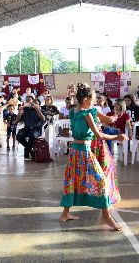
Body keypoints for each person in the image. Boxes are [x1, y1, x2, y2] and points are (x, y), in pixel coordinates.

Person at [59, 83, 128, 231]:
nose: (95, 102)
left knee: (72, 180)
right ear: (86, 100)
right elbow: (99, 135)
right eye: (93, 99)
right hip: (84, 152)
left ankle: (65, 214)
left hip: (74, 152)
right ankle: (107, 217)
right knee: (101, 182)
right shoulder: (87, 114)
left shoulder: (74, 112)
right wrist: (118, 136)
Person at [15, 96, 45, 160]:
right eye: (33, 103)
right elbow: (17, 121)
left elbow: (43, 119)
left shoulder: (40, 110)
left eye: (36, 103)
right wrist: (20, 111)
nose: (34, 104)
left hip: (36, 129)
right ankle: (30, 150)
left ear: (39, 105)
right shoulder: (26, 110)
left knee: (33, 136)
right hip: (27, 129)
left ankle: (26, 150)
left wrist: (36, 108)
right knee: (18, 136)